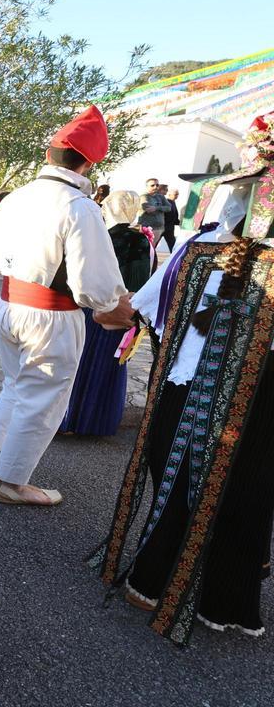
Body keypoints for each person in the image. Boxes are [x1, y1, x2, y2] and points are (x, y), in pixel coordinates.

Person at [91, 118, 274, 643]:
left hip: (185, 389)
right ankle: (222, 597)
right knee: (242, 494)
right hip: (254, 403)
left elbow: (137, 311)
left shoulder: (193, 251)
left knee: (181, 484)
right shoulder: (197, 251)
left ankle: (157, 578)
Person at [0, 106, 133, 506]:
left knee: (17, 384)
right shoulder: (78, 207)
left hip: (8, 304)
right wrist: (118, 303)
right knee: (44, 398)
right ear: (90, 160)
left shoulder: (15, 198)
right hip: (51, 315)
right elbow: (95, 287)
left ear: (49, 155)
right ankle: (15, 482)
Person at [58, 191, 153, 436]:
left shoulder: (102, 237)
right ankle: (95, 423)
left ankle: (69, 419)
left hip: (93, 309)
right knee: (107, 366)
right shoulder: (142, 241)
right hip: (123, 313)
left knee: (80, 364)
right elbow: (142, 283)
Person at [161, 185, 181, 252]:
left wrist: (180, 223)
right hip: (163, 227)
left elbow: (174, 217)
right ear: (169, 194)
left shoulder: (173, 202)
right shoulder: (166, 202)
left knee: (173, 246)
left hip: (169, 229)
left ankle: (174, 260)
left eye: (178, 194)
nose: (177, 196)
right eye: (175, 194)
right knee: (153, 245)